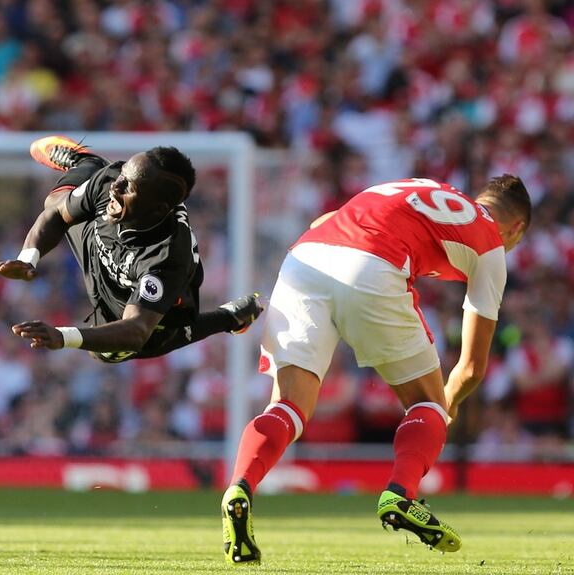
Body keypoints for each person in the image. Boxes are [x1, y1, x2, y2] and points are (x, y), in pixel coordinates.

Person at [221, 176, 530, 564]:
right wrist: (446, 407)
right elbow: (471, 367)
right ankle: (401, 494)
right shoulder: (491, 245)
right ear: (516, 228)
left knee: (287, 406)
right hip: (373, 265)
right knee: (427, 404)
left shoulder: (420, 187)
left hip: (304, 259)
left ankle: (239, 487)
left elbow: (324, 221)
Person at [0, 135, 264, 362]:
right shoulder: (113, 182)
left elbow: (136, 330)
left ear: (158, 209)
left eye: (128, 186)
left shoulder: (166, 255)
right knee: (57, 204)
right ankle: (84, 163)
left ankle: (227, 318)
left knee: (105, 352)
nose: (116, 187)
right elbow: (55, 216)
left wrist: (62, 336)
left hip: (146, 318)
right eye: (122, 176)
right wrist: (28, 258)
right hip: (103, 251)